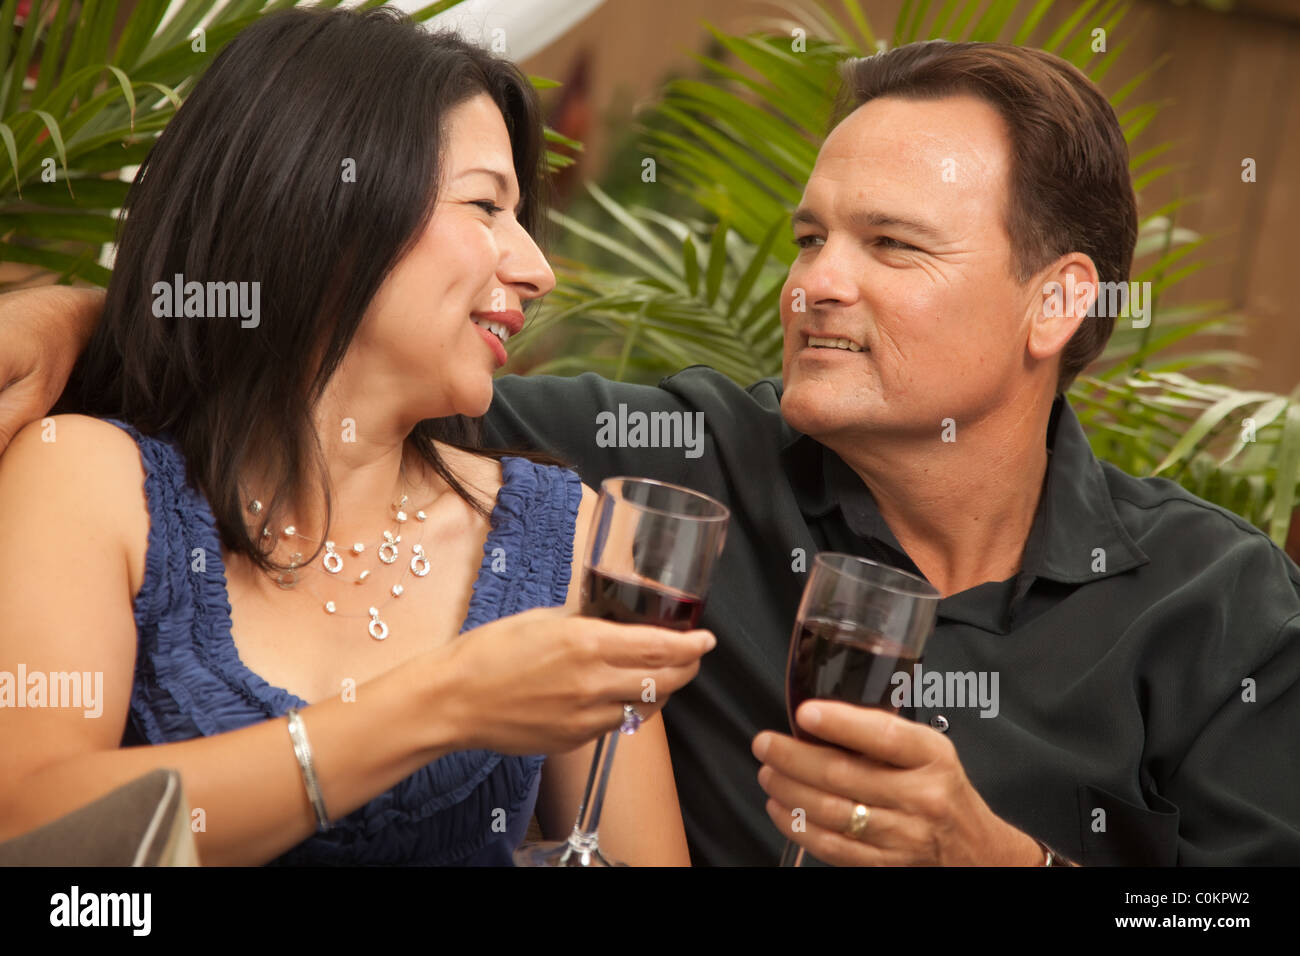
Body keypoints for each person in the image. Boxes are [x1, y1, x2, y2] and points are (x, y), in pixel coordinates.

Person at [5, 39, 1300, 866]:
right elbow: (330, 366)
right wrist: (84, 315)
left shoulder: (1218, 599)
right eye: (809, 239)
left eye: (893, 247)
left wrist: (999, 863)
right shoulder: (660, 471)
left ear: (1058, 301)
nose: (813, 284)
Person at [0, 7, 716, 866]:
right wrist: (442, 704)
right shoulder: (92, 481)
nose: (538, 270)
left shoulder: (568, 542)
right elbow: (29, 827)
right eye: (485, 204)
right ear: (326, 207)